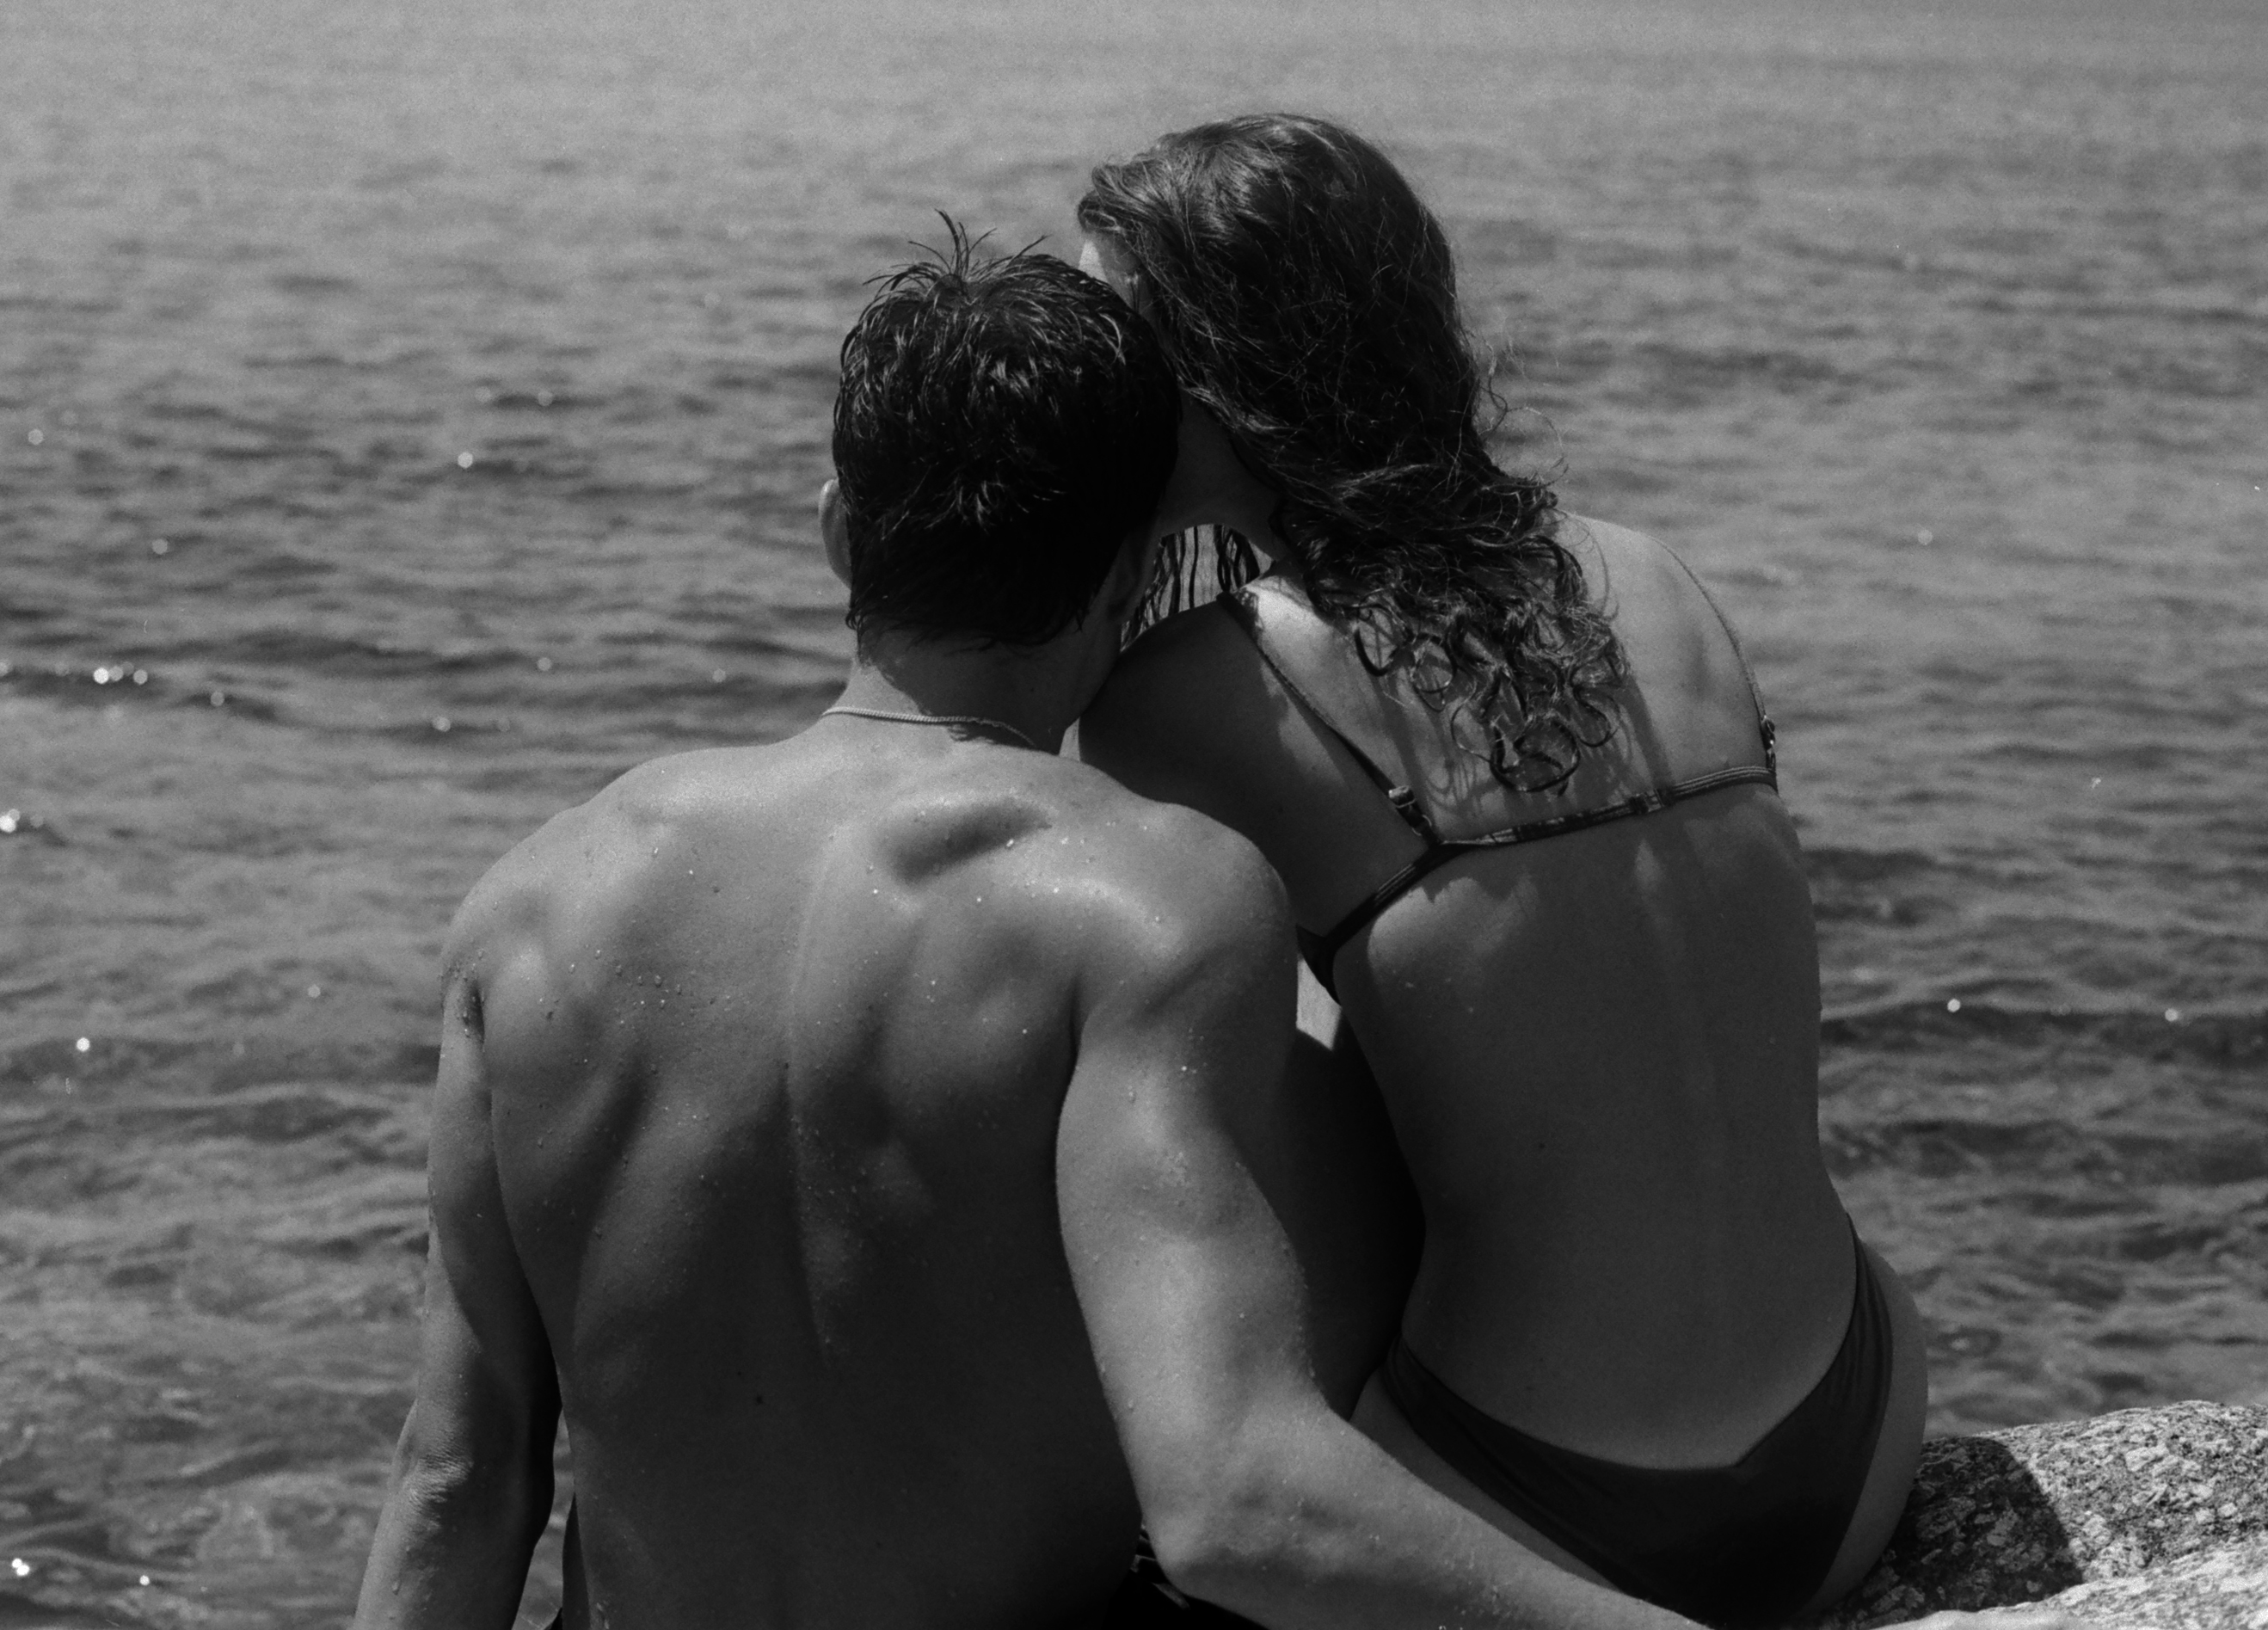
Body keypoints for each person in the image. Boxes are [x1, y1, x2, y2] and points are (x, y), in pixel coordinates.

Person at [349, 229, 1734, 1630]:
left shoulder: (529, 907)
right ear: (1133, 576)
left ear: (839, 531)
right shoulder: (1146, 902)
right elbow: (1235, 1503)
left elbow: (456, 1483)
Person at [1072, 114, 1925, 1628]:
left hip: (1525, 1494)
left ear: (1216, 369)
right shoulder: (1651, 577)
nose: (1087, 390)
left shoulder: (1188, 696)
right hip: (1854, 1426)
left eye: (1111, 345)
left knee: (1131, 1093)